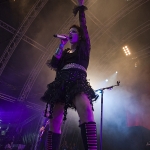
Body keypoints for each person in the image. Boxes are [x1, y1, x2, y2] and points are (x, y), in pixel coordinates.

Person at [40, 0, 98, 149]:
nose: (70, 33)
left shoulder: (84, 49)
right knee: (55, 121)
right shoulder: (65, 52)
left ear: (79, 36)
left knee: (86, 110)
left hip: (77, 81)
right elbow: (54, 63)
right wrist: (61, 44)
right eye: (69, 31)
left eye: (74, 32)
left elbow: (84, 28)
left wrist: (80, 8)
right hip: (61, 83)